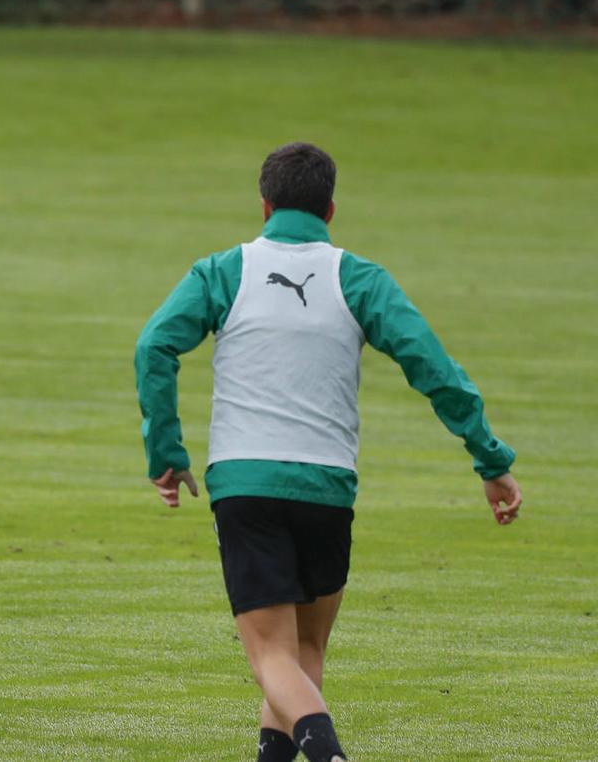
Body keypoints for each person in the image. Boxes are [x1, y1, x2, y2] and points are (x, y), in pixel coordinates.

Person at [134, 142, 522, 762]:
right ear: (331, 209)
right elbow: (435, 369)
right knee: (304, 655)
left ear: (264, 205)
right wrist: (491, 459)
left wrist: (166, 451)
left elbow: (154, 345)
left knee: (271, 658)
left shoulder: (223, 271)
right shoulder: (360, 278)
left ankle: (328, 755)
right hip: (327, 490)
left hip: (246, 484)